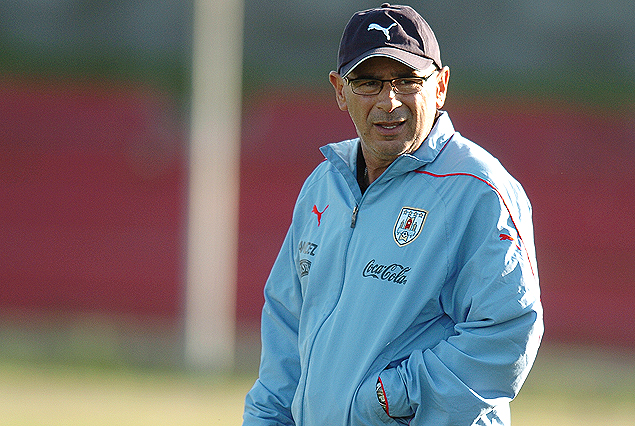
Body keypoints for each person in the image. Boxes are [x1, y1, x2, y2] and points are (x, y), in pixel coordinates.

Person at [243, 4, 543, 426]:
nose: (389, 101)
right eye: (368, 83)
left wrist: (387, 399)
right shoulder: (324, 183)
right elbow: (286, 328)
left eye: (407, 81)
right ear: (339, 90)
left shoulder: (477, 189)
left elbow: (508, 331)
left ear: (440, 86)